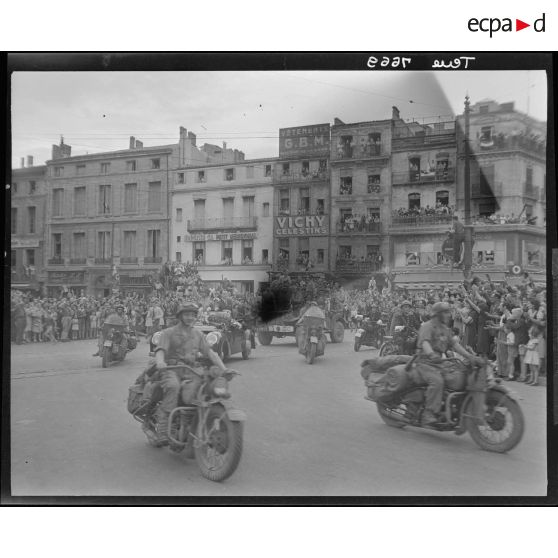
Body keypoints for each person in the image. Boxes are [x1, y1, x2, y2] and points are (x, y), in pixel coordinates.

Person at [152, 303, 230, 446]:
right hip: (172, 368)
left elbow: (210, 353)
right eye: (187, 315)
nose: (190, 318)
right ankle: (162, 431)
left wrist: (224, 370)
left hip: (191, 370)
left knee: (204, 389)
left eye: (193, 315)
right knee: (173, 387)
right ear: (180, 316)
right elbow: (160, 350)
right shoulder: (168, 332)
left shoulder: (198, 334)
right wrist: (160, 362)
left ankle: (190, 422)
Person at [415, 302, 483, 426]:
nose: (448, 315)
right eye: (446, 312)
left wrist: (470, 356)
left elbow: (455, 345)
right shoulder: (427, 326)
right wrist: (431, 354)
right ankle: (428, 413)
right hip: (424, 362)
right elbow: (425, 343)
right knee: (437, 381)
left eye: (448, 312)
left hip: (439, 362)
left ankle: (451, 406)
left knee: (459, 374)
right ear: (437, 315)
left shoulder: (445, 329)